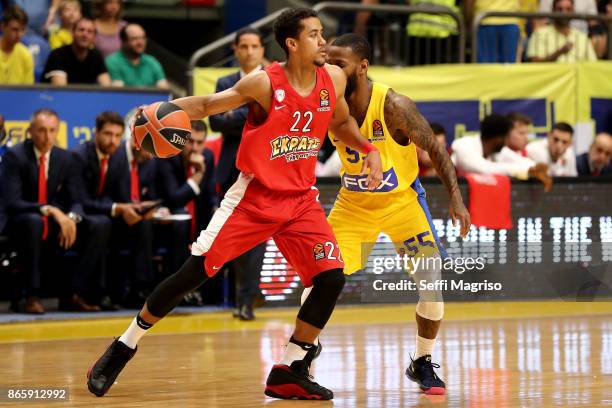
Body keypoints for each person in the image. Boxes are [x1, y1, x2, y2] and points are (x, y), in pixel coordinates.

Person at [87, 7, 383, 401]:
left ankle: (288, 369)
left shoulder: (332, 78)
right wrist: (160, 112)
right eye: (314, 35)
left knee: (331, 278)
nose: (324, 41)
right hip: (253, 199)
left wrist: (368, 149)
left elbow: (341, 123)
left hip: (299, 202)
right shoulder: (264, 83)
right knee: (192, 274)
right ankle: (124, 345)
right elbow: (208, 105)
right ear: (292, 44)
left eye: (322, 33)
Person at [320, 33, 469, 396]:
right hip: (353, 206)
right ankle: (302, 353)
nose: (331, 71)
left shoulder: (394, 106)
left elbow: (433, 146)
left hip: (402, 203)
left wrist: (455, 196)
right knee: (320, 277)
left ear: (363, 67)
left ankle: (422, 361)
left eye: (339, 64)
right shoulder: (325, 102)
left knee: (431, 284)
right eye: (328, 64)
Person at [1, 109, 109, 314]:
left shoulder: (65, 158)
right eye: (42, 130)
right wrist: (49, 210)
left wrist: (71, 218)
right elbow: (12, 201)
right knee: (35, 221)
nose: (47, 136)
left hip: (53, 219)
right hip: (20, 218)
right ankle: (31, 295)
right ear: (30, 131)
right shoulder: (15, 156)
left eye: (52, 130)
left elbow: (76, 199)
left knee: (99, 224)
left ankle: (73, 294)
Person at [209, 27, 267, 321]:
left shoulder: (271, 78)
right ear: (235, 49)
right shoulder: (224, 81)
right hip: (230, 167)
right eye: (243, 46)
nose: (248, 51)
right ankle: (242, 293)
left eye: (254, 46)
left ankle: (247, 298)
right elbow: (216, 122)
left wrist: (236, 114)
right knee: (230, 234)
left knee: (257, 237)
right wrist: (247, 112)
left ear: (262, 50)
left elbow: (267, 119)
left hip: (261, 168)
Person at [73, 111, 158, 309]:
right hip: (79, 213)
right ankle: (86, 293)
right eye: (108, 134)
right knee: (102, 225)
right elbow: (80, 199)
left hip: (105, 214)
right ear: (96, 133)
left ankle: (139, 289)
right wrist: (117, 208)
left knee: (142, 225)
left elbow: (117, 195)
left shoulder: (117, 158)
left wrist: (135, 209)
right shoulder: (79, 156)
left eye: (117, 136)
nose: (113, 141)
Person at [156, 119, 216, 306]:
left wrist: (216, 209)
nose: (195, 148)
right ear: (182, 140)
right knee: (181, 220)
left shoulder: (208, 156)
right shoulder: (169, 155)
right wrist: (198, 174)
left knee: (216, 225)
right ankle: (177, 291)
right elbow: (175, 198)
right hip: (167, 220)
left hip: (198, 218)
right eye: (190, 142)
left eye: (200, 142)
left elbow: (210, 193)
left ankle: (202, 291)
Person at [452, 114, 553, 189]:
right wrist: (527, 170)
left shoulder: (496, 150)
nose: (506, 142)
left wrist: (533, 168)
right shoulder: (465, 146)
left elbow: (519, 161)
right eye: (506, 138)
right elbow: (485, 169)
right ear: (498, 139)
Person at [42, 17, 111, 85]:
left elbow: (106, 88)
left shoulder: (96, 56)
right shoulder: (58, 55)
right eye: (81, 30)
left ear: (94, 37)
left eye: (90, 31)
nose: (85, 34)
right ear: (72, 33)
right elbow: (61, 90)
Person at [527, 0, 598, 62]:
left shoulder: (582, 37)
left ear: (573, 11)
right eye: (559, 9)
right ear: (553, 11)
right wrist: (558, 53)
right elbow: (534, 63)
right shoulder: (540, 34)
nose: (564, 13)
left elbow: (593, 65)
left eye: (568, 9)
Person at [105, 23, 169, 88]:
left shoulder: (151, 61)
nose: (140, 42)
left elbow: (164, 90)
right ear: (123, 41)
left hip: (152, 98)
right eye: (134, 39)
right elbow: (118, 92)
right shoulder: (112, 62)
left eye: (143, 38)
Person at [0, 5, 34, 84]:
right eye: (14, 29)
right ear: (3, 27)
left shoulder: (26, 55)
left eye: (22, 30)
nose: (19, 35)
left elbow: (27, 90)